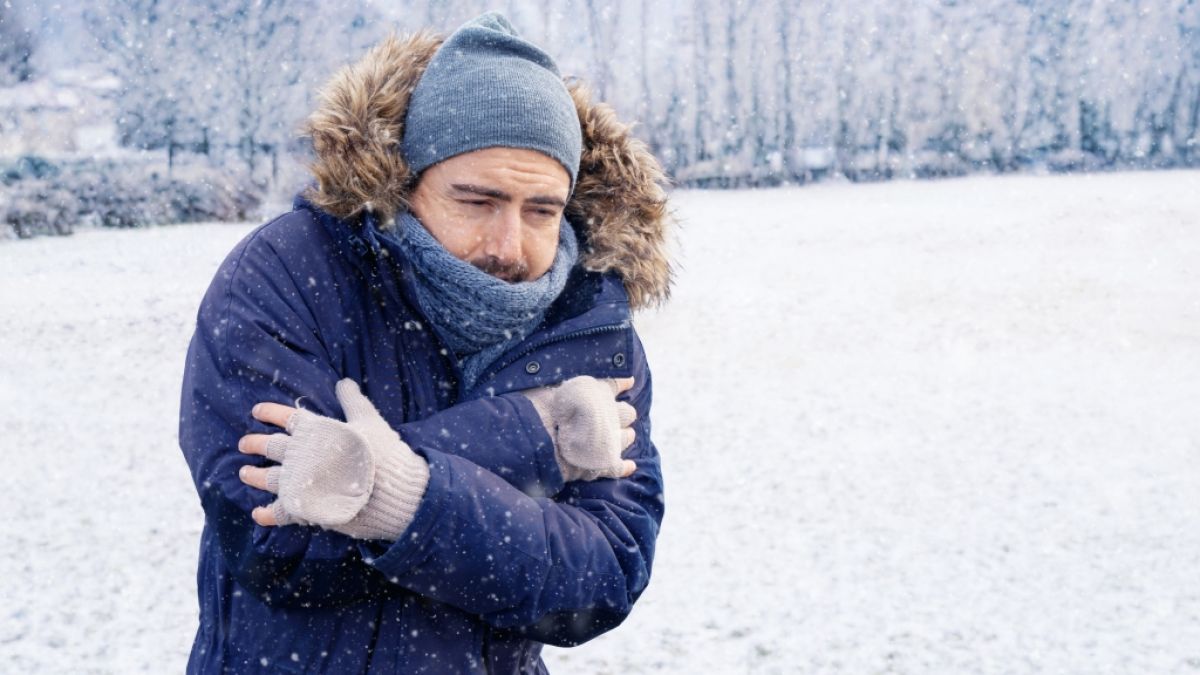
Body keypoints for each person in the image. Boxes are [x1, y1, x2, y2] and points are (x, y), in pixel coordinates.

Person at [177, 11, 674, 674]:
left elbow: (602, 579)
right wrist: (534, 436)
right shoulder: (286, 274)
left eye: (541, 211)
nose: (508, 246)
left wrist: (392, 488)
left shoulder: (588, 321)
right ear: (405, 182)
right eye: (476, 201)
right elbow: (280, 542)